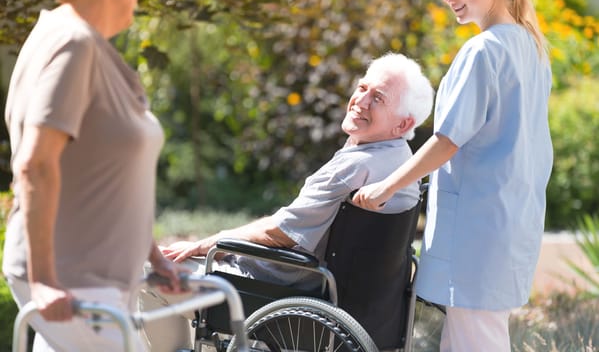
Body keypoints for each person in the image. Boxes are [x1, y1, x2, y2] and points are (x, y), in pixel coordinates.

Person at [139, 52, 435, 351]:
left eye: (378, 98)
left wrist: (210, 244)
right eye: (362, 88)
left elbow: (279, 234)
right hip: (365, 309)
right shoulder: (402, 162)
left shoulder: (355, 167)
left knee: (150, 276)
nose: (361, 100)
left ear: (403, 124)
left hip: (286, 291)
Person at [352, 0, 552, 351]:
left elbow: (447, 140)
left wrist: (385, 187)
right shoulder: (532, 48)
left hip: (478, 232)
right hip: (511, 222)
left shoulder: (483, 52)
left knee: (472, 340)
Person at [2, 0, 187, 351]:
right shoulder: (74, 43)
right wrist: (44, 281)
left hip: (90, 279)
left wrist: (153, 257)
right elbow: (36, 163)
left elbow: (103, 172)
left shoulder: (69, 38)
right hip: (74, 281)